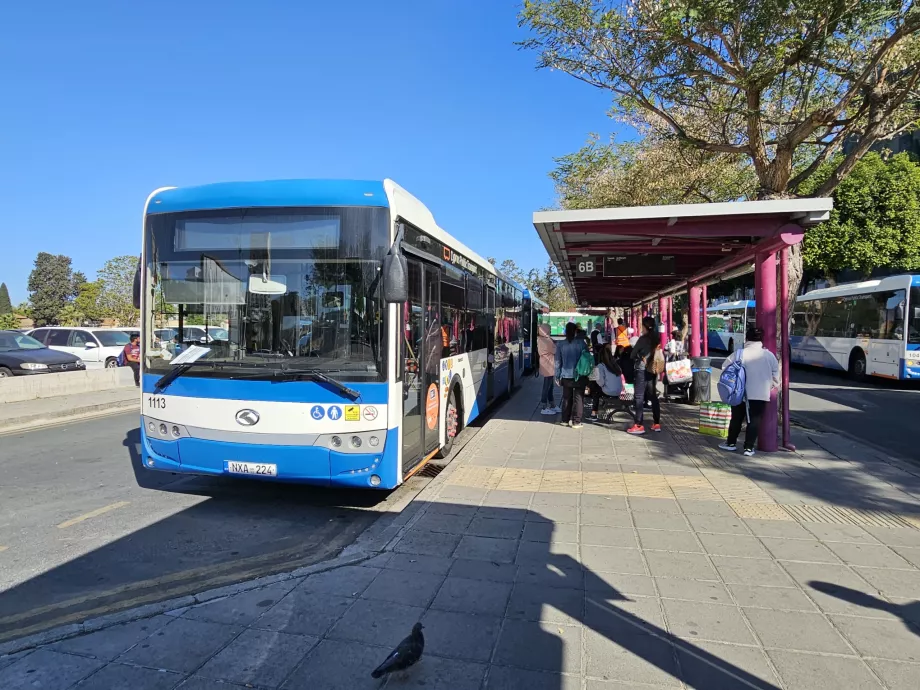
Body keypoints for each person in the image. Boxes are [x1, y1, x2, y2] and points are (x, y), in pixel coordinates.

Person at [719, 326, 779, 457]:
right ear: (761, 340)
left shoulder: (739, 354)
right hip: (760, 393)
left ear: (747, 338)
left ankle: (731, 443)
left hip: (739, 393)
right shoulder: (769, 355)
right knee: (754, 420)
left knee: (736, 418)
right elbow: (776, 375)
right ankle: (749, 448)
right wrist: (770, 386)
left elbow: (724, 369)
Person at [627, 316, 662, 434]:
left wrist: (639, 356)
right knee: (653, 396)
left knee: (639, 397)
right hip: (652, 370)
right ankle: (657, 424)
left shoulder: (643, 339)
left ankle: (638, 425)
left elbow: (632, 354)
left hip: (641, 370)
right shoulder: (656, 338)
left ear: (645, 326)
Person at [555, 321, 587, 429]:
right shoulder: (581, 343)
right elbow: (586, 359)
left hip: (565, 375)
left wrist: (557, 375)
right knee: (579, 398)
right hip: (580, 374)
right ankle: (576, 422)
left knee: (566, 398)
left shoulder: (560, 344)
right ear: (575, 331)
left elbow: (558, 362)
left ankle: (564, 420)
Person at [589, 342, 623, 419]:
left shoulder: (600, 366)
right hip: (618, 391)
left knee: (595, 391)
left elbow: (600, 383)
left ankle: (594, 413)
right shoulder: (616, 365)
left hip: (609, 391)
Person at [537, 322, 560, 415]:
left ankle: (552, 405)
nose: (550, 331)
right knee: (547, 386)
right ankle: (544, 406)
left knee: (550, 386)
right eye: (549, 329)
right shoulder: (547, 340)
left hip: (545, 364)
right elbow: (555, 350)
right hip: (549, 365)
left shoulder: (540, 339)